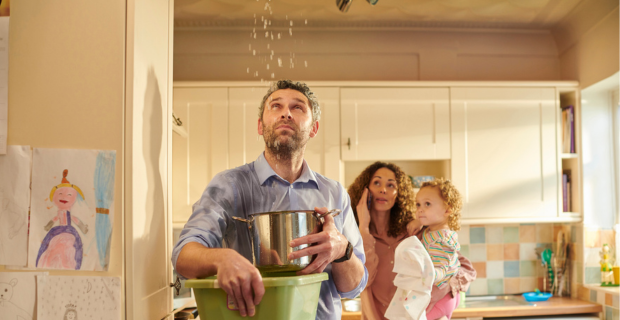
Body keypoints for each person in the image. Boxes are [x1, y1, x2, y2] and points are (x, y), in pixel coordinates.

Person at [172, 80, 367, 319]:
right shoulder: (229, 185)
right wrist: (223, 258)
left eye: (298, 108)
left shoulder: (335, 193)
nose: (286, 113)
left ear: (314, 128)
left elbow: (353, 287)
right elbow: (183, 257)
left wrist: (343, 250)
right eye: (276, 106)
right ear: (260, 125)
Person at [348, 162, 475, 320]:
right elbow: (361, 282)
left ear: (399, 193)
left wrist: (440, 290)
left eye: (390, 185)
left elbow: (464, 268)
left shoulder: (415, 232)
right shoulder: (356, 237)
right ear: (364, 190)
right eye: (376, 183)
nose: (383, 189)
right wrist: (364, 227)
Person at [414, 178, 463, 320]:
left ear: (448, 209)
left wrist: (430, 275)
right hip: (446, 297)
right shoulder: (434, 231)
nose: (420, 209)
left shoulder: (440, 239)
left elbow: (441, 268)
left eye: (427, 204)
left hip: (442, 298)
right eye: (418, 204)